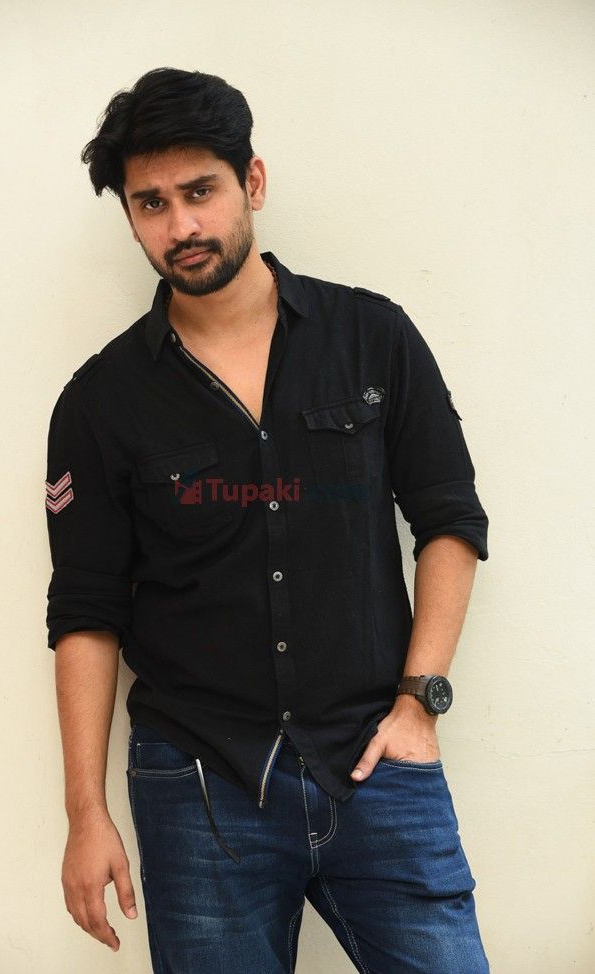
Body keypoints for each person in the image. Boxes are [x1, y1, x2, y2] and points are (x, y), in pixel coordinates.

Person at [45, 67, 490, 974]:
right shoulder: (99, 402)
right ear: (130, 217)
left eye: (200, 191)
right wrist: (85, 815)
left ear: (252, 181)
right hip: (198, 785)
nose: (181, 225)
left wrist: (420, 702)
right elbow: (86, 610)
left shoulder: (372, 337)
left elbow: (449, 519)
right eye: (151, 203)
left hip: (377, 762)